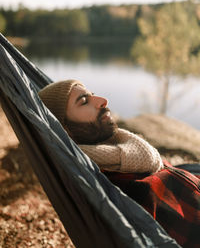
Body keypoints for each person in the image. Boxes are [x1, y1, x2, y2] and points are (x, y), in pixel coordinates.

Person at [39, 79, 200, 247]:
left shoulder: (122, 155)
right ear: (65, 130)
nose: (102, 100)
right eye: (84, 101)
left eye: (92, 94)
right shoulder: (116, 190)